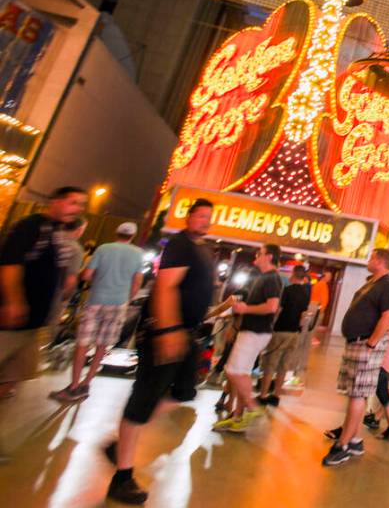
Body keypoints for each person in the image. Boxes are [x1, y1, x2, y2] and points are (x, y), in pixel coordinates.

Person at [105, 197, 217, 505]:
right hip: (164, 332)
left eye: (209, 216)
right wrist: (168, 331)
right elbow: (165, 287)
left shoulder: (202, 249)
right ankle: (121, 478)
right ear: (188, 218)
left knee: (182, 393)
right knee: (144, 397)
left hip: (187, 335)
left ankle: (125, 438)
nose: (205, 221)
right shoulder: (180, 245)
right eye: (200, 216)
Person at [0, 186, 87, 401]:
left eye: (82, 205)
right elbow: (10, 264)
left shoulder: (58, 233)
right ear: (55, 201)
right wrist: (13, 301)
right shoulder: (31, 226)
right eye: (73, 202)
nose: (77, 209)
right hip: (12, 320)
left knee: (16, 375)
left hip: (35, 322)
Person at [322, 247, 389, 466]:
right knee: (357, 393)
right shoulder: (373, 283)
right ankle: (355, 440)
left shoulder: (388, 286)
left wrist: (371, 343)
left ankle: (343, 445)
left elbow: (387, 317)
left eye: (373, 256)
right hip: (356, 344)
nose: (369, 259)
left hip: (365, 345)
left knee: (357, 394)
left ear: (381, 261)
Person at [51, 221, 144, 401]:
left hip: (96, 301)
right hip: (119, 304)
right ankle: (86, 384)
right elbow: (137, 281)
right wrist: (128, 298)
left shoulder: (103, 249)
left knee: (83, 343)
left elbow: (86, 275)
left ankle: (73, 385)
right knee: (102, 345)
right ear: (132, 236)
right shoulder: (137, 254)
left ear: (117, 232)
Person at [214, 243, 283, 433]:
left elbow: (272, 307)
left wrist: (246, 309)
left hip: (256, 331)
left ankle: (252, 407)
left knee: (233, 370)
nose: (256, 256)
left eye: (260, 253)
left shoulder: (272, 278)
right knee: (241, 372)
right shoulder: (263, 278)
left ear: (269, 256)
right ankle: (238, 416)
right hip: (251, 330)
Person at [257, 264, 310, 406]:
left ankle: (262, 395)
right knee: (283, 365)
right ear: (303, 277)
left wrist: (270, 324)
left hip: (280, 330)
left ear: (293, 274)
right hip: (294, 333)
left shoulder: (286, 291)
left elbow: (278, 309)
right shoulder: (306, 293)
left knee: (270, 363)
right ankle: (276, 396)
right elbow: (303, 315)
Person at [364, 311, 389, 439]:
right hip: (383, 362)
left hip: (381, 362)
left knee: (380, 393)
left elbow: (376, 337)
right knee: (382, 393)